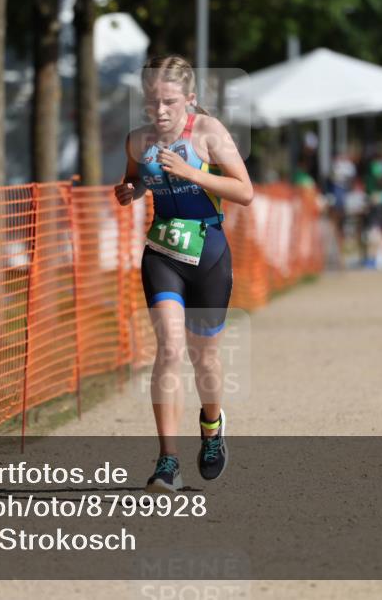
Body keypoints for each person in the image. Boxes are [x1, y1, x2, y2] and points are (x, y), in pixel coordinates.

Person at [113, 55, 253, 492]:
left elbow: (245, 191)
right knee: (170, 349)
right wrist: (130, 191)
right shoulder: (137, 140)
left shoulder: (209, 134)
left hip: (209, 252)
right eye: (152, 101)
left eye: (169, 101)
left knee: (204, 357)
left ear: (190, 99)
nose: (160, 111)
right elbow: (136, 179)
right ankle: (167, 460)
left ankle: (211, 428)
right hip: (163, 253)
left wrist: (193, 172)